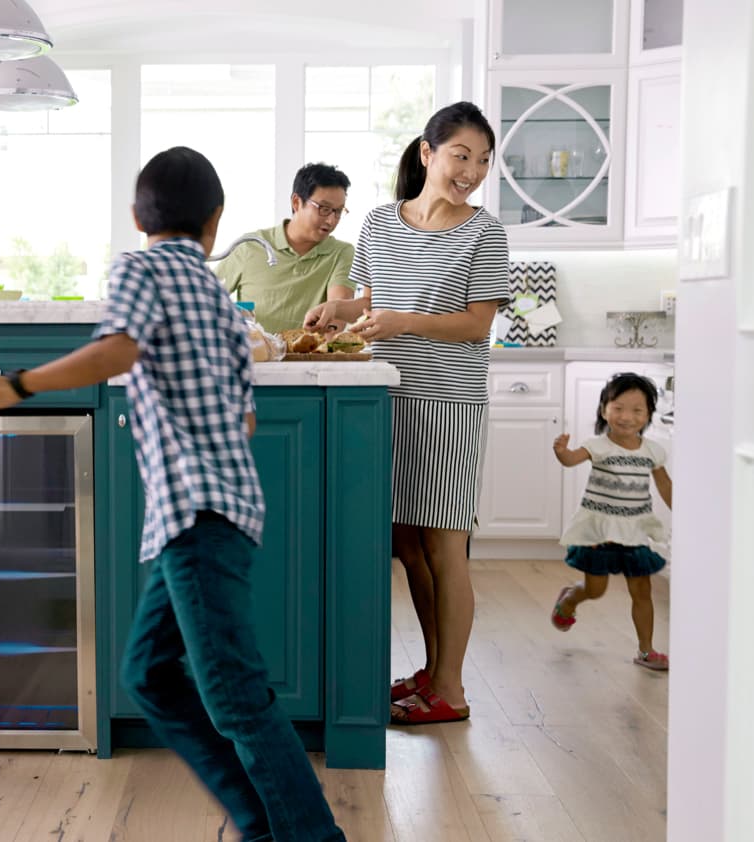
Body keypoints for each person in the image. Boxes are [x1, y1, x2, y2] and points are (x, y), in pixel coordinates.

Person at [0, 146, 347, 842]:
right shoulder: (224, 306)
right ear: (216, 222)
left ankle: (311, 838)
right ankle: (263, 825)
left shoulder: (140, 267)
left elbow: (118, 348)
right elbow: (245, 417)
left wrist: (16, 385)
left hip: (194, 513)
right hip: (214, 513)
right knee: (150, 675)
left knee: (234, 696)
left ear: (138, 217)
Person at [303, 102, 510, 725]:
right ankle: (432, 668)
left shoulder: (485, 230)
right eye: (459, 156)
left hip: (448, 402)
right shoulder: (379, 223)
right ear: (427, 153)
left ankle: (451, 688)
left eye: (480, 160)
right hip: (387, 396)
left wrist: (398, 321)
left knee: (446, 546)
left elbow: (477, 324)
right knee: (407, 544)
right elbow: (370, 300)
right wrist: (338, 314)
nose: (470, 171)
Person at [550, 372, 673, 670]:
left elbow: (665, 485)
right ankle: (569, 600)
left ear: (648, 415)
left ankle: (646, 651)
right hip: (599, 533)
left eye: (636, 410)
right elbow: (571, 460)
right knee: (596, 589)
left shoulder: (652, 451)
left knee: (641, 591)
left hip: (634, 532)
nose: (626, 417)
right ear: (604, 409)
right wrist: (562, 452)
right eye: (618, 408)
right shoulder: (598, 446)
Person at [212, 163, 357, 333]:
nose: (332, 220)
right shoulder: (250, 246)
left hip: (311, 357)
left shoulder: (341, 253)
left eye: (338, 211)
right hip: (257, 356)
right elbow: (208, 300)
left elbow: (337, 313)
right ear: (296, 202)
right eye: (324, 209)